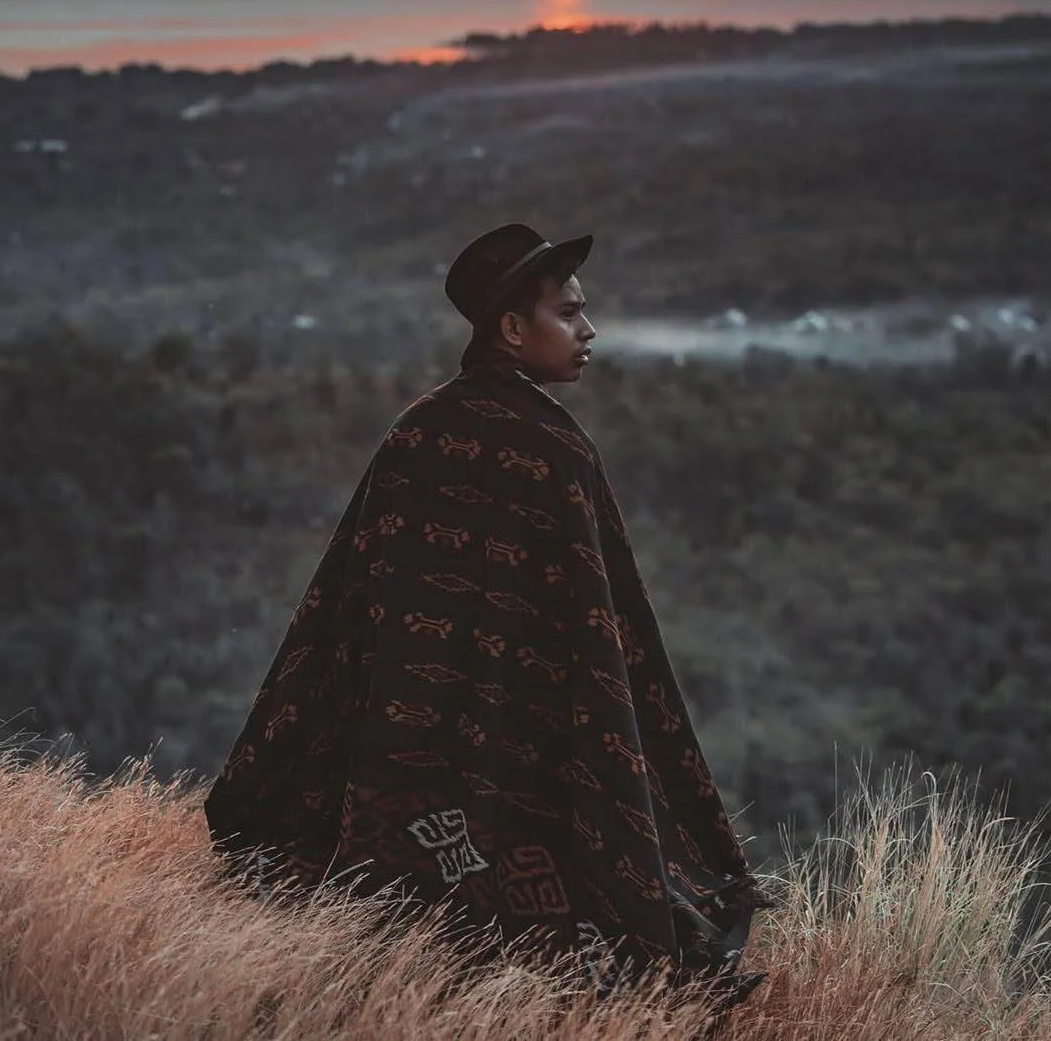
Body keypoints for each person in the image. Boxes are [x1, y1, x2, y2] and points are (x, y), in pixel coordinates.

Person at [204, 223, 766, 1002]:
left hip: (399, 753)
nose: (589, 329)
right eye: (568, 312)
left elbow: (347, 613)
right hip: (523, 750)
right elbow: (602, 631)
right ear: (511, 329)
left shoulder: (418, 429)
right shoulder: (556, 449)